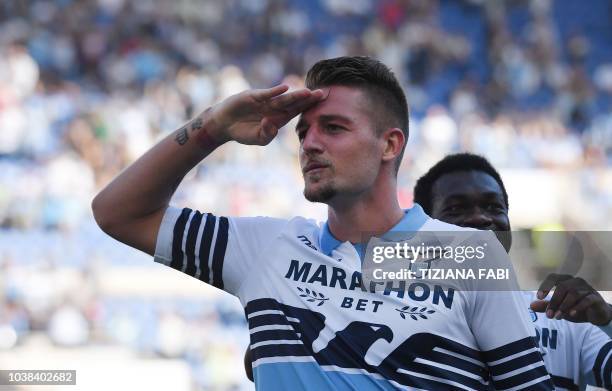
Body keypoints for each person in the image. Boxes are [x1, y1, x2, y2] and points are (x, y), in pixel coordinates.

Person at [92, 56, 553, 390]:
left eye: (333, 128)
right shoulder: (267, 248)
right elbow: (117, 212)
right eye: (303, 131)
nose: (310, 143)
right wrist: (213, 126)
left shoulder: (468, 256)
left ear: (390, 145)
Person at [412, 152, 612, 390]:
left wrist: (608, 319)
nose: (480, 217)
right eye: (455, 209)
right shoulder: (395, 315)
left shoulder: (563, 317)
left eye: (493, 206)